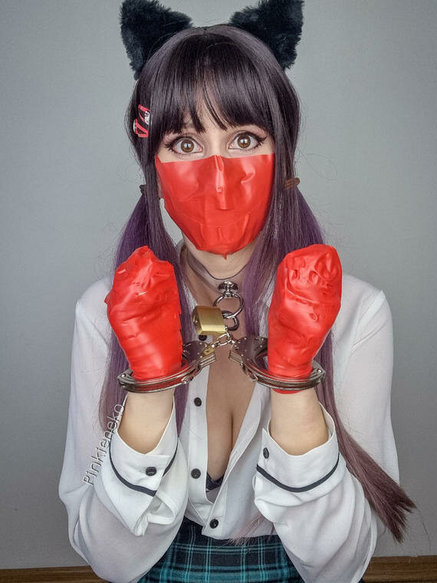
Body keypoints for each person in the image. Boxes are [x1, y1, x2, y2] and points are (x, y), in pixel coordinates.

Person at [59, 1, 414, 582]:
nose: (218, 178)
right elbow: (110, 562)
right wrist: (149, 387)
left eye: (245, 139)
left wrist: (294, 381)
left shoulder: (356, 311)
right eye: (185, 143)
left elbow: (341, 566)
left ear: (284, 156)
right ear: (152, 166)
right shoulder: (104, 314)